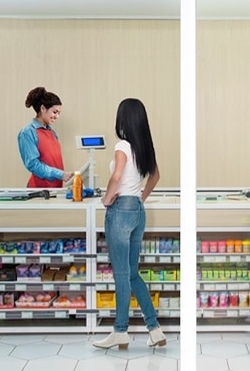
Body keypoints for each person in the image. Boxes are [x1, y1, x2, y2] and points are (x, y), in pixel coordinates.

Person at [93, 98, 165, 349]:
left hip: (120, 210)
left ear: (122, 119)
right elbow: (155, 176)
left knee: (121, 275)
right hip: (137, 210)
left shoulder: (123, 144)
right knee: (133, 274)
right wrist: (140, 197)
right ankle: (154, 329)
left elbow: (116, 175)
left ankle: (120, 331)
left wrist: (106, 198)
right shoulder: (145, 147)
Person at [17, 87, 73, 188]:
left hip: (55, 188)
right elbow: (33, 164)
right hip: (38, 190)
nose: (57, 116)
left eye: (59, 113)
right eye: (54, 112)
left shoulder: (52, 132)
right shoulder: (28, 132)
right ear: (43, 108)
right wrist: (60, 174)